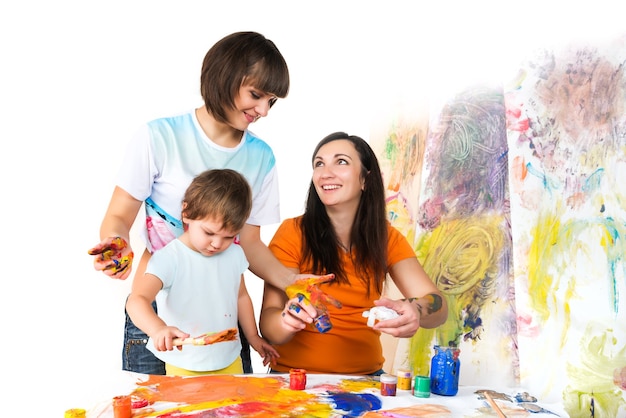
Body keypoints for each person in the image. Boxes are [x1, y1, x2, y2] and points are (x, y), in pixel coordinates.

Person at [88, 31, 316, 375]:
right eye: (256, 95)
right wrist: (117, 245)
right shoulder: (158, 137)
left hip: (221, 315)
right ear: (224, 78)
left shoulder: (261, 158)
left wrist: (291, 280)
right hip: (157, 313)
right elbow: (119, 215)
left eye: (272, 101)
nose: (264, 110)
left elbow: (249, 243)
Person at [259, 132, 448, 375]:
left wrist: (417, 311)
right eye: (319, 164)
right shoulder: (292, 232)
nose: (325, 172)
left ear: (365, 180)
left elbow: (438, 306)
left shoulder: (387, 238)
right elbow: (268, 324)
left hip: (366, 382)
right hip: (295, 381)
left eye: (341, 161)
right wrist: (286, 322)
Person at [126, 169, 279, 375]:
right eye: (209, 232)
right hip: (185, 363)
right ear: (186, 213)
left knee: (234, 408)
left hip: (230, 359)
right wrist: (157, 329)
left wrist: (253, 337)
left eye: (228, 236)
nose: (217, 244)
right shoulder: (169, 258)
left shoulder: (234, 254)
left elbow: (241, 297)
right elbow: (137, 300)